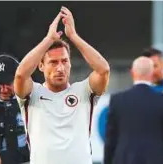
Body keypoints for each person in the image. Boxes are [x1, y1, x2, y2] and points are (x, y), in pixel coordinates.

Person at [14, 6, 110, 164]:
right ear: (41, 66)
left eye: (64, 61)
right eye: (53, 62)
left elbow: (103, 70)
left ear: (70, 64)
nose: (60, 68)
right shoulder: (32, 93)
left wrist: (73, 35)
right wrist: (48, 40)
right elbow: (20, 74)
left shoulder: (84, 91)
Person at [104, 56, 163, 164]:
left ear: (132, 72)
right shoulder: (162, 100)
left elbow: (110, 138)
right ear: (151, 74)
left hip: (125, 159)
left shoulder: (117, 100)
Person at [0, 54, 30, 164]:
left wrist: (4, 158)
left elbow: (43, 145)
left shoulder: (32, 103)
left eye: (8, 83)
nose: (3, 89)